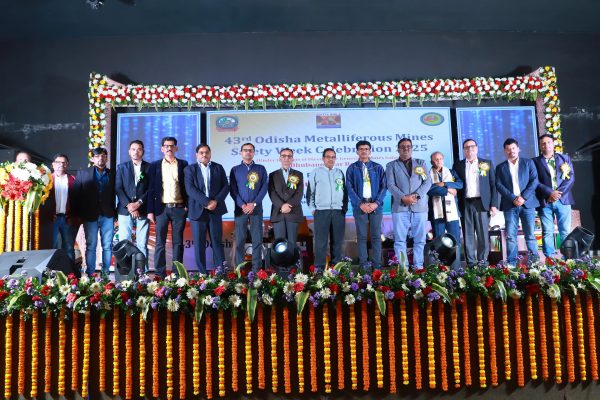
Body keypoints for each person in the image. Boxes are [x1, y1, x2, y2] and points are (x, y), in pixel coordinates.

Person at [386, 138, 431, 270]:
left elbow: (427, 182)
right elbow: (390, 185)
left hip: (419, 207)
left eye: (408, 146)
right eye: (402, 146)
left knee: (420, 240)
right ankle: (403, 269)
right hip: (400, 208)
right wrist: (403, 197)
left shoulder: (421, 163)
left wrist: (416, 195)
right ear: (398, 149)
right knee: (400, 240)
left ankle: (418, 267)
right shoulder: (391, 165)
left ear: (411, 148)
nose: (406, 148)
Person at [147, 137, 188, 277]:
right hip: (161, 209)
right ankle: (160, 273)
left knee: (178, 243)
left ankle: (177, 273)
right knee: (160, 242)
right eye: (166, 146)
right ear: (162, 149)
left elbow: (187, 186)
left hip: (179, 208)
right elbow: (151, 189)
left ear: (176, 148)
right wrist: (150, 211)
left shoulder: (183, 164)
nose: (169, 148)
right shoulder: (155, 166)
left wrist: (187, 206)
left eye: (172, 146)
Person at [184, 144, 229, 273]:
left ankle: (220, 273)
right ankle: (202, 274)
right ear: (196, 155)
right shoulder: (189, 169)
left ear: (210, 154)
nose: (204, 155)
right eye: (201, 152)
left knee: (217, 242)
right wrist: (207, 202)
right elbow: (190, 189)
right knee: (199, 244)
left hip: (215, 210)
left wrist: (215, 201)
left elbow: (225, 187)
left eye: (207, 152)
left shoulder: (218, 167)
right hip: (197, 211)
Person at [453, 139, 498, 267]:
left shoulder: (486, 163)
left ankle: (482, 262)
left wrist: (494, 204)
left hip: (482, 203)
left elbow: (493, 185)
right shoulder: (458, 165)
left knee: (483, 234)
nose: (470, 149)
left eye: (472, 147)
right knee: (468, 235)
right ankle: (471, 263)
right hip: (466, 203)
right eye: (466, 147)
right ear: (464, 150)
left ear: (477, 148)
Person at [495, 138, 540, 265]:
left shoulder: (528, 163)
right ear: (505, 151)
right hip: (510, 205)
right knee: (510, 237)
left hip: (527, 204)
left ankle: (534, 264)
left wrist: (523, 197)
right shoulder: (500, 167)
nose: (511, 151)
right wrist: (513, 198)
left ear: (518, 149)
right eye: (508, 149)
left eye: (513, 148)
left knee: (530, 235)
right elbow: (498, 185)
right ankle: (511, 264)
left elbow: (534, 181)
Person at [72, 147, 115, 275]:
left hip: (107, 215)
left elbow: (116, 193)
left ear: (106, 158)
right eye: (97, 156)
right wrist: (78, 215)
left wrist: (116, 214)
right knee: (91, 245)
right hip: (89, 215)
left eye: (103, 156)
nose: (101, 158)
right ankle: (90, 274)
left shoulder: (112, 174)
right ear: (92, 159)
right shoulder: (83, 173)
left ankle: (105, 274)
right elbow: (75, 194)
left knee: (107, 245)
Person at [346, 140, 387, 271]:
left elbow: (384, 187)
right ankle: (363, 266)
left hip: (376, 206)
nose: (364, 151)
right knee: (362, 236)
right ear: (357, 151)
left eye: (366, 149)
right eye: (361, 149)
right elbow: (349, 188)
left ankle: (377, 266)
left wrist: (376, 203)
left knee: (376, 236)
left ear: (370, 151)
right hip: (360, 206)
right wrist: (360, 204)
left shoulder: (378, 167)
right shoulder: (352, 168)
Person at [533, 134, 575, 258]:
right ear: (540, 146)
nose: (546, 145)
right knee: (547, 232)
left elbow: (571, 178)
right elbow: (535, 181)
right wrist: (549, 193)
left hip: (563, 200)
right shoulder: (534, 161)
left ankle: (568, 259)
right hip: (545, 201)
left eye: (549, 142)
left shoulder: (564, 158)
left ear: (553, 143)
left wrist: (557, 194)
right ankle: (550, 260)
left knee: (565, 231)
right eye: (543, 143)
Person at [306, 148, 348, 270]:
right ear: (323, 159)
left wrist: (343, 209)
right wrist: (313, 209)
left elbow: (344, 193)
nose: (331, 159)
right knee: (321, 243)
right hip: (321, 212)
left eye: (333, 157)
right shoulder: (316, 172)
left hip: (338, 212)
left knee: (337, 242)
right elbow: (310, 192)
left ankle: (336, 270)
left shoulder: (339, 172)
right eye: (328, 157)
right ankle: (319, 270)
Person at [230, 143, 268, 271]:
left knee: (257, 240)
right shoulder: (235, 170)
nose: (248, 152)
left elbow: (264, 188)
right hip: (240, 210)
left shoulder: (261, 169)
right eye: (245, 150)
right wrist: (242, 205)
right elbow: (233, 190)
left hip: (256, 209)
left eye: (250, 150)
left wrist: (254, 203)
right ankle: (239, 270)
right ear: (241, 153)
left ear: (254, 152)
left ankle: (257, 270)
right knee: (240, 240)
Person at [115, 140, 151, 266]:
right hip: (125, 209)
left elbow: (150, 189)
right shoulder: (122, 167)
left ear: (143, 151)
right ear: (129, 152)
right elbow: (118, 188)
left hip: (143, 208)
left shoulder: (149, 167)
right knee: (125, 241)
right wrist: (130, 206)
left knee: (142, 243)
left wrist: (138, 204)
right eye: (133, 149)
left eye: (139, 149)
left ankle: (142, 272)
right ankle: (126, 272)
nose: (136, 152)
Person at [427, 151, 463, 267]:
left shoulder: (451, 172)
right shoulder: (427, 174)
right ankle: (441, 268)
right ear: (432, 162)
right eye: (436, 159)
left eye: (440, 159)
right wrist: (448, 189)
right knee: (439, 242)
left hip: (452, 213)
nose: (439, 161)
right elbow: (429, 189)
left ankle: (456, 267)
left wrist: (444, 184)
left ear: (443, 159)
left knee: (455, 240)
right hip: (436, 213)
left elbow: (460, 184)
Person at [43, 153, 78, 262]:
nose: (61, 165)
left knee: (69, 248)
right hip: (51, 219)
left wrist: (74, 217)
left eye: (64, 163)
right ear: (53, 164)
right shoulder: (46, 180)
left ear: (67, 165)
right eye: (58, 162)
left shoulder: (73, 180)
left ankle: (70, 272)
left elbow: (78, 200)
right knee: (50, 247)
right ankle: (48, 271)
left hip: (67, 219)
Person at [268, 148, 304, 247]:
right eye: (284, 156)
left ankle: (292, 258)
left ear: (292, 159)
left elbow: (299, 193)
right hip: (278, 213)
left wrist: (288, 205)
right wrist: (282, 205)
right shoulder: (272, 175)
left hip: (293, 213)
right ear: (280, 158)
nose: (286, 158)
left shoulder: (298, 174)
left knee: (292, 244)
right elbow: (272, 193)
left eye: (289, 156)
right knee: (280, 244)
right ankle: (281, 259)